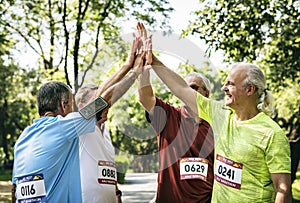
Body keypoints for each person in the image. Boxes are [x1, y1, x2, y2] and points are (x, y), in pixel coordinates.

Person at [11, 35, 147, 202]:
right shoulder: (63, 126)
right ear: (63, 105)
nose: (73, 109)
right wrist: (133, 73)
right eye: (70, 105)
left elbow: (15, 189)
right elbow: (102, 101)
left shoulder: (23, 138)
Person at [147, 56, 292, 202]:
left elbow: (282, 190)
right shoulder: (220, 115)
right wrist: (153, 60)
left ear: (249, 89)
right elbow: (181, 89)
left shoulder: (271, 133)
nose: (224, 88)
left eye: (230, 84)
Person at [138, 68, 214, 202]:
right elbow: (145, 98)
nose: (186, 93)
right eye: (183, 89)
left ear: (206, 94)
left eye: (193, 88)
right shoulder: (168, 116)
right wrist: (144, 70)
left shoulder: (216, 125)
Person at [75, 84, 122, 203]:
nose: (104, 104)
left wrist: (117, 193)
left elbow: (108, 165)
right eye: (97, 101)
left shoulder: (105, 129)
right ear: (82, 107)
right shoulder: (79, 127)